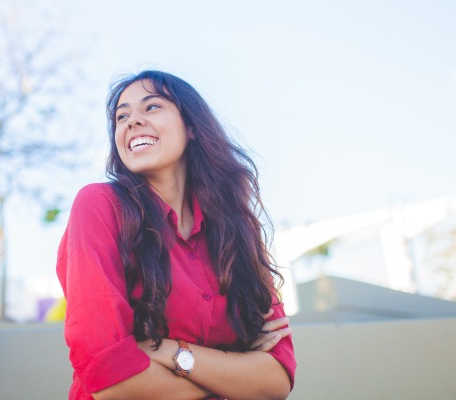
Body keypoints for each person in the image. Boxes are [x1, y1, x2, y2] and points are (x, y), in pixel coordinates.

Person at [56, 70, 296, 400]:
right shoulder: (99, 205)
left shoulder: (238, 231)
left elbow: (277, 380)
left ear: (192, 126)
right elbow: (112, 381)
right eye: (121, 116)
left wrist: (169, 353)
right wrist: (232, 376)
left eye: (152, 107)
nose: (132, 121)